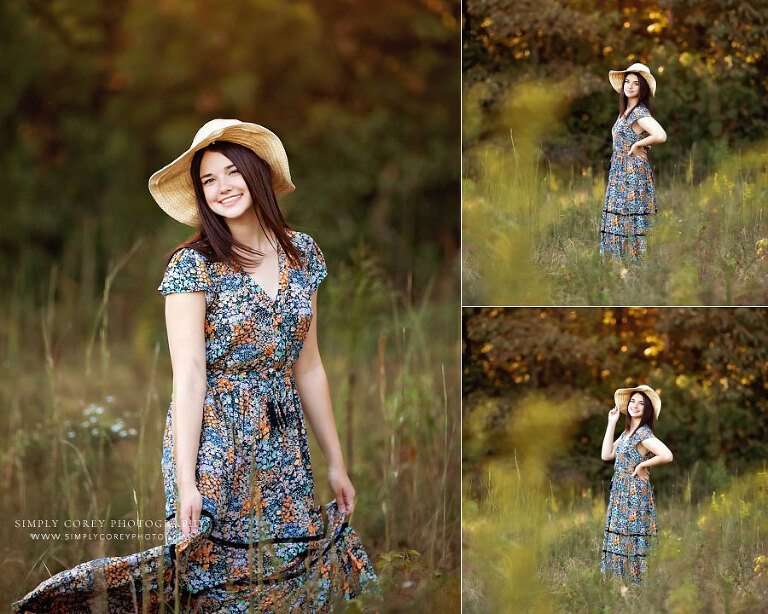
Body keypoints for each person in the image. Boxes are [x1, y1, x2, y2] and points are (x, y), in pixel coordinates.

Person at [12, 119, 378, 613]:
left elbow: (308, 366)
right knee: (211, 580)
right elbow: (188, 378)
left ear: (257, 174)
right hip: (215, 444)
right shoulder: (193, 265)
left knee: (292, 574)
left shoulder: (302, 252)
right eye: (209, 180)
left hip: (283, 442)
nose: (223, 187)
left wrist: (336, 462)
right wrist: (187, 481)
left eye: (231, 172)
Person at [600, 384, 673, 585]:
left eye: (641, 403)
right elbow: (606, 455)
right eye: (633, 401)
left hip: (634, 493)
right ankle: (619, 585)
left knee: (632, 536)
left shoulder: (643, 434)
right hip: (620, 492)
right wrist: (612, 422)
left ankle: (636, 586)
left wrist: (643, 464)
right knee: (620, 537)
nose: (635, 405)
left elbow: (667, 455)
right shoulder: (627, 433)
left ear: (647, 409)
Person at [600, 63, 667, 261]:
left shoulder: (639, 112)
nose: (629, 86)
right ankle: (619, 266)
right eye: (627, 82)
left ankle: (635, 266)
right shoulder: (625, 112)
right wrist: (638, 143)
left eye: (635, 83)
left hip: (632, 173)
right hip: (619, 172)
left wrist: (639, 145)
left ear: (642, 88)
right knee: (620, 218)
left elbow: (661, 135)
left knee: (631, 218)